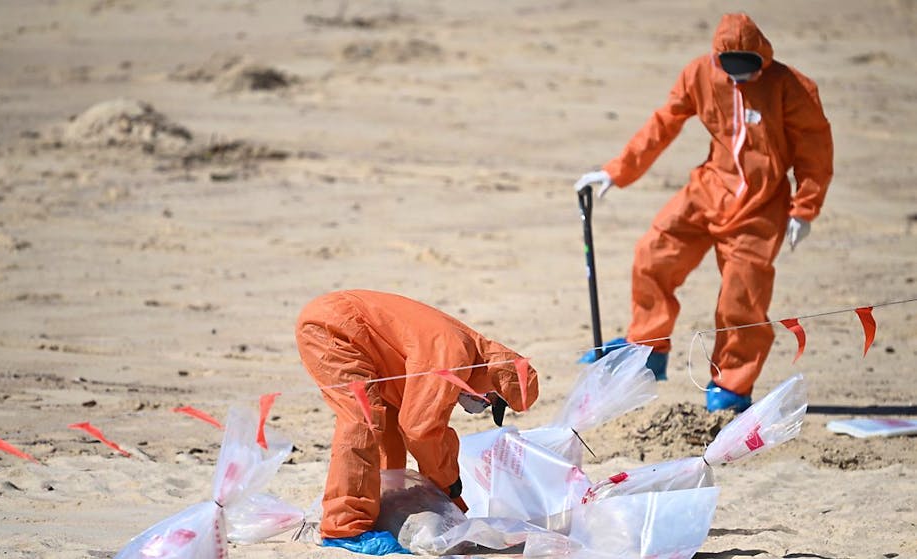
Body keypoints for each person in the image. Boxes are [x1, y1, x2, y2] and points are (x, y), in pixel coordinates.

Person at [575, 13, 833, 412]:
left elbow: (815, 150)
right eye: (731, 70)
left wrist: (805, 208)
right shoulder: (699, 74)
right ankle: (648, 345)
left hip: (761, 207)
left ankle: (731, 386)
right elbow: (664, 123)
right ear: (716, 61)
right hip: (709, 189)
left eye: (748, 69)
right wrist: (617, 170)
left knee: (740, 298)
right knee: (653, 254)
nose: (740, 78)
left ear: (762, 58)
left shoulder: (792, 86)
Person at [295, 289, 540, 555]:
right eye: (487, 403)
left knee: (387, 422)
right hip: (335, 329)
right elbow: (421, 429)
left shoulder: (466, 353)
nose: (478, 408)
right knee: (363, 419)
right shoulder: (453, 355)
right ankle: (344, 528)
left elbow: (405, 422)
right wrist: (449, 488)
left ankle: (383, 503)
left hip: (359, 336)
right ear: (492, 386)